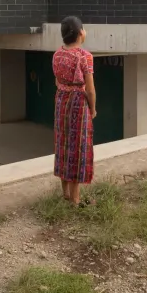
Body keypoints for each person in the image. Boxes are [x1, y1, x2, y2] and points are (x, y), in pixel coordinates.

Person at [52, 16, 97, 207]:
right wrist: (93, 109)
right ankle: (75, 199)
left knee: (62, 143)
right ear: (80, 33)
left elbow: (57, 82)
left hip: (61, 100)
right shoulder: (85, 56)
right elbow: (90, 89)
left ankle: (64, 193)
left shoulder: (57, 54)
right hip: (78, 103)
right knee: (77, 147)